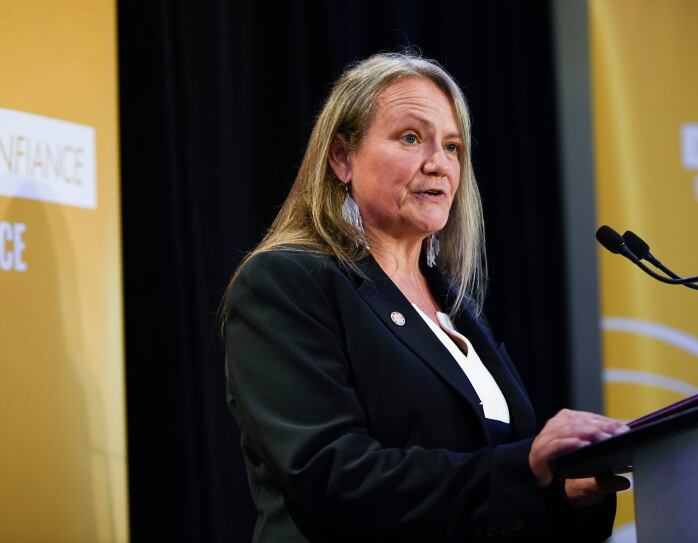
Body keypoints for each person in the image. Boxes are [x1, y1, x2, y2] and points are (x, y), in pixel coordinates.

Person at [223, 52, 630, 542]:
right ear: (342, 158)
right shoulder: (288, 282)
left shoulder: (455, 307)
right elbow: (330, 472)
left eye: (453, 146)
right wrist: (524, 469)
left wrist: (562, 491)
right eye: (411, 138)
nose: (438, 164)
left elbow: (492, 489)